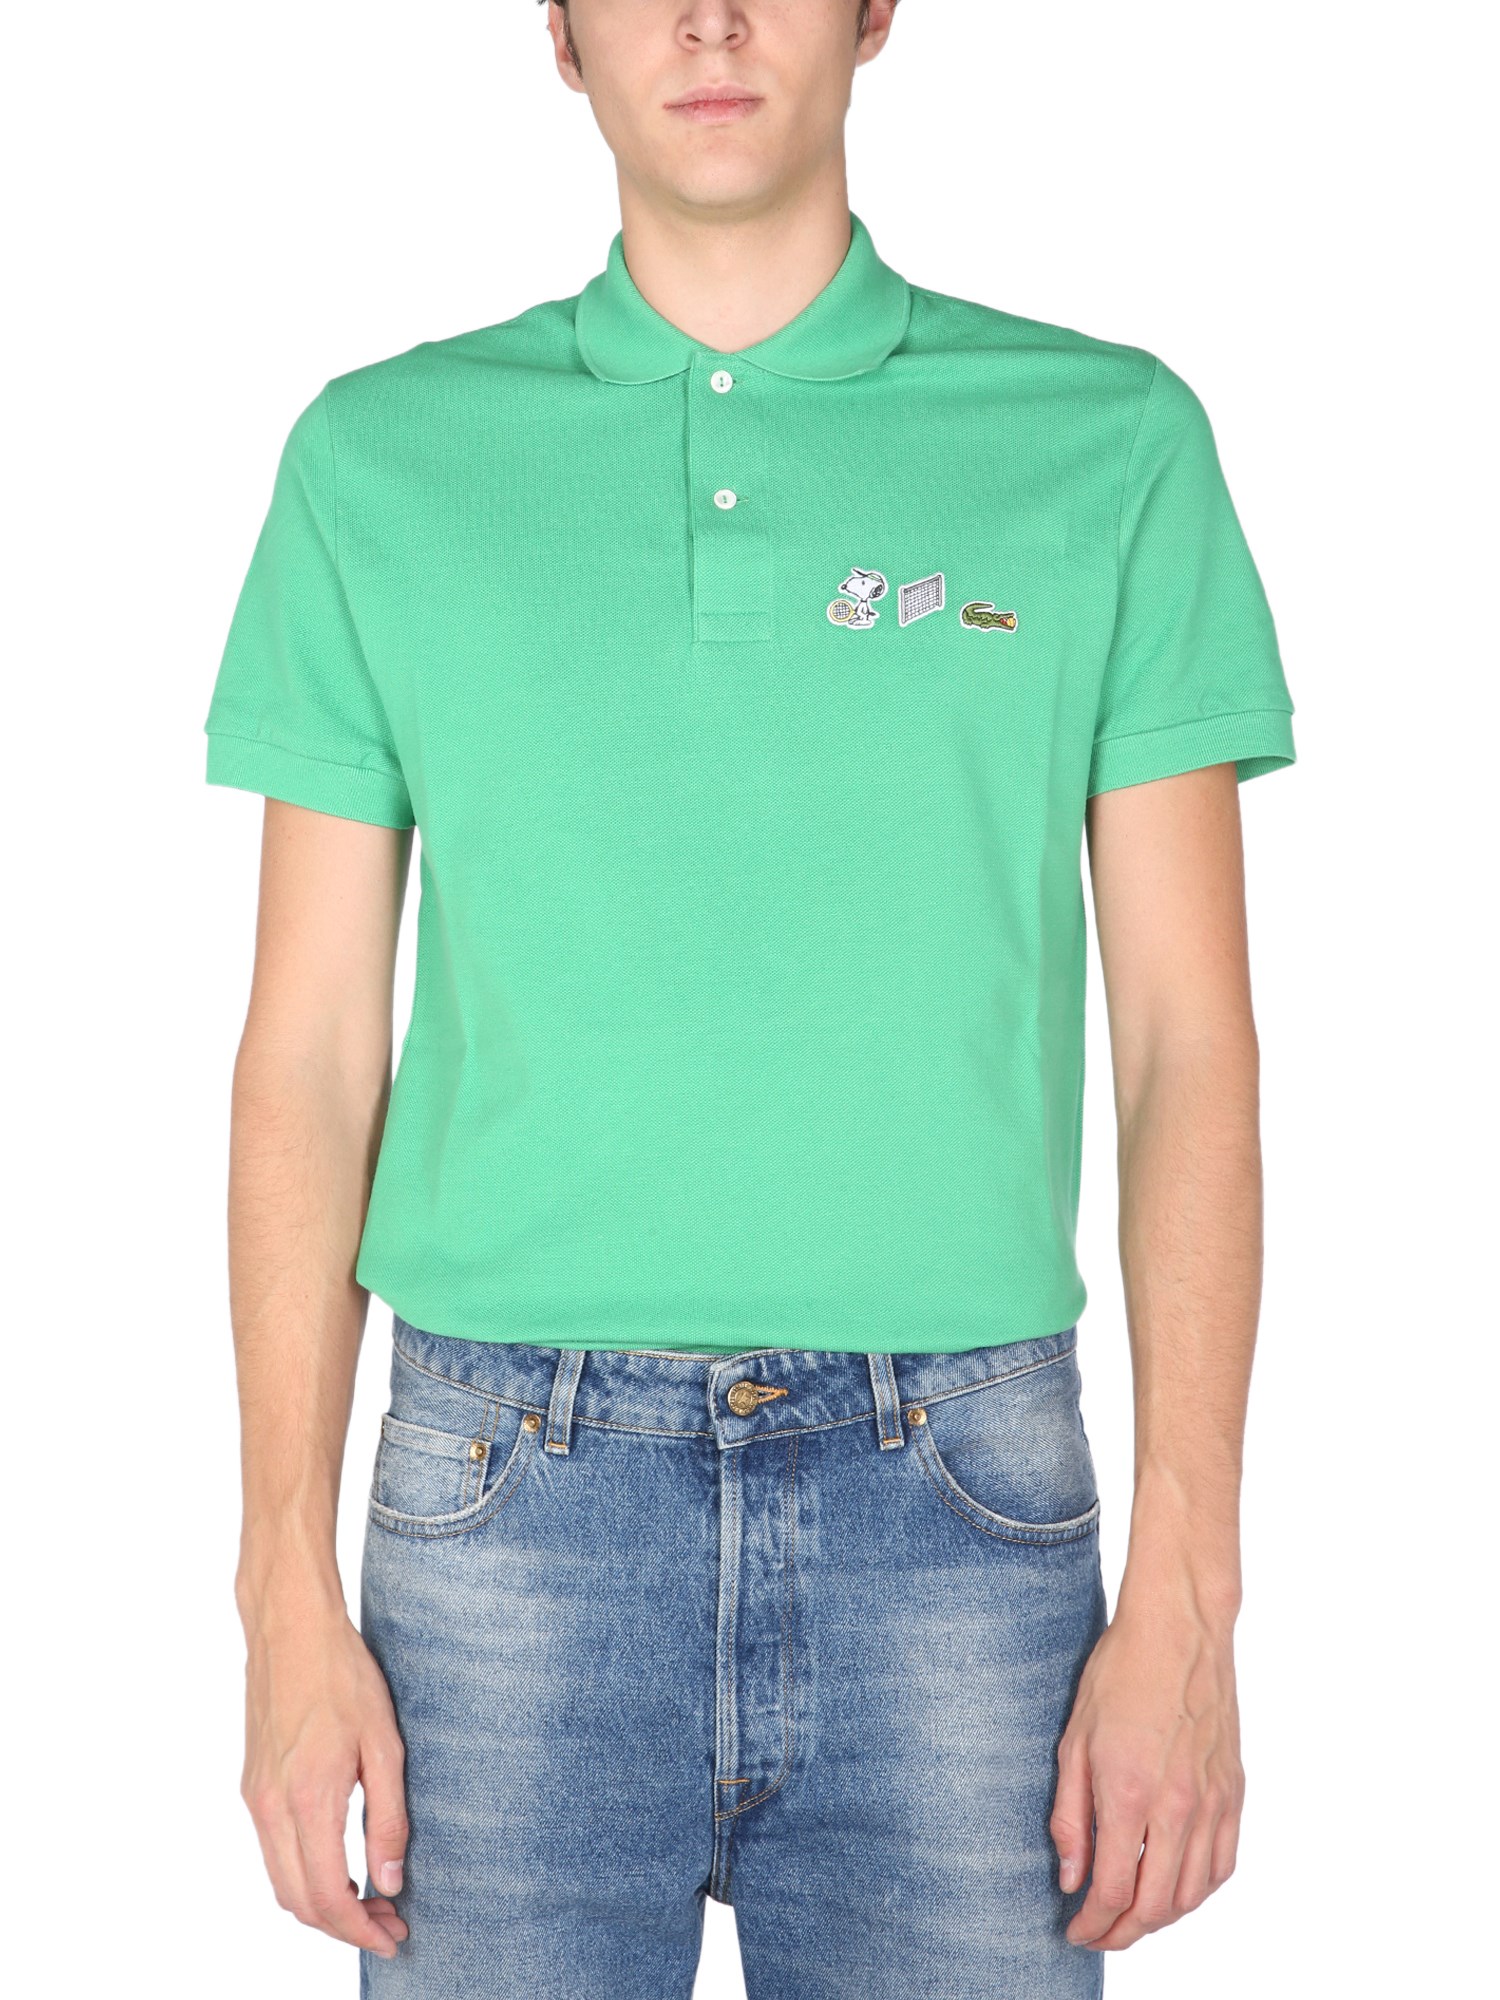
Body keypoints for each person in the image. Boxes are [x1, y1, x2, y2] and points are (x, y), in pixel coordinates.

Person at [204, 3, 1296, 1994]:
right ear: (559, 30)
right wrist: (278, 1584)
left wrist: (1194, 1600)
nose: (709, 18)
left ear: (877, 9)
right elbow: (310, 1053)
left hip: (963, 1518)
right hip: (504, 1517)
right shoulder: (378, 461)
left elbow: (1185, 1049)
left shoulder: (1110, 443)